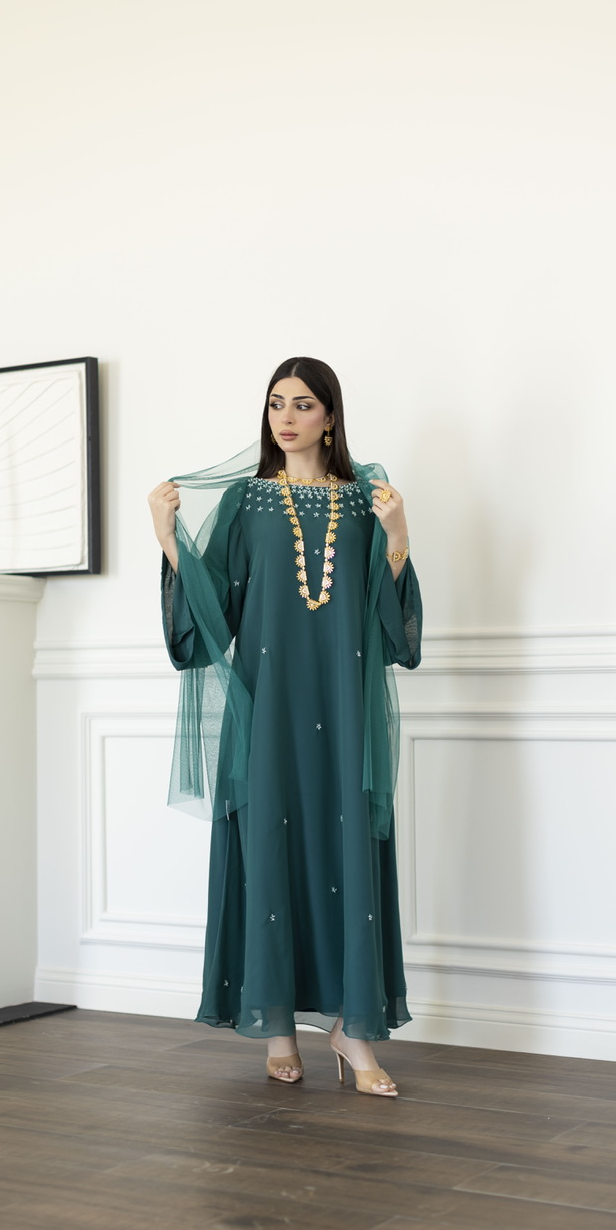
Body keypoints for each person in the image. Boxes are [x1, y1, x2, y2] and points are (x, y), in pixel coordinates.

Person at [148, 357, 422, 1096]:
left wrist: (397, 534)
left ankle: (353, 1033)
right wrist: (168, 536)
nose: (286, 418)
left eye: (303, 404)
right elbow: (213, 615)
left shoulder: (366, 501)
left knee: (346, 851)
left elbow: (393, 633)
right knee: (268, 847)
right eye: (276, 404)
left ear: (330, 416)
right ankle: (276, 1030)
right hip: (265, 707)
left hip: (345, 708)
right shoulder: (245, 500)